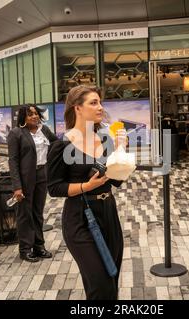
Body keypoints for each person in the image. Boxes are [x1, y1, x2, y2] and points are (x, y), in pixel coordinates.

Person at [47, 85, 124, 300]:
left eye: (100, 102)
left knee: (112, 281)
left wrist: (121, 154)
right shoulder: (61, 145)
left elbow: (116, 181)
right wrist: (85, 187)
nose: (100, 107)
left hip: (109, 213)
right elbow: (54, 188)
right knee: (100, 286)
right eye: (93, 102)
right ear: (77, 108)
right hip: (80, 218)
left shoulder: (106, 140)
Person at [8, 105, 57, 263]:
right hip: (25, 178)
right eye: (30, 115)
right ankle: (25, 249)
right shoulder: (16, 134)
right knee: (24, 214)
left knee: (37, 212)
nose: (34, 117)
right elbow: (13, 161)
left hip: (42, 175)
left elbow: (57, 145)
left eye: (36, 114)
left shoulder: (44, 130)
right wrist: (17, 187)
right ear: (23, 117)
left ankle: (39, 246)